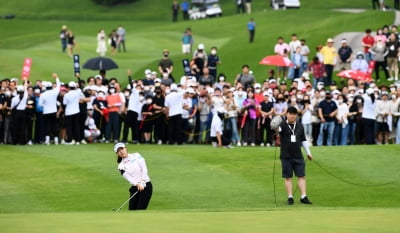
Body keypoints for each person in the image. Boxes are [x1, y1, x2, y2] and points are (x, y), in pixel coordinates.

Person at [272, 106, 313, 205]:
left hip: (298, 155)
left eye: (294, 114)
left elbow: (303, 140)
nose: (292, 116)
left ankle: (304, 196)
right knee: (288, 177)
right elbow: (278, 129)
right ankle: (290, 197)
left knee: (301, 176)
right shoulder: (283, 124)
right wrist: (275, 126)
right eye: (290, 114)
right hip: (286, 155)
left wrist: (308, 153)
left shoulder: (299, 126)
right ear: (287, 114)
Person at [114, 143, 153, 210]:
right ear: (117, 153)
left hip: (146, 185)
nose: (121, 151)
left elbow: (144, 168)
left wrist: (143, 181)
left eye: (122, 149)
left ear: (126, 148)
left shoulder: (137, 155)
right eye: (118, 151)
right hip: (135, 187)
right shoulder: (121, 166)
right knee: (132, 210)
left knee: (140, 210)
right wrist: (137, 184)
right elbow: (129, 178)